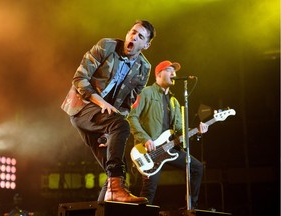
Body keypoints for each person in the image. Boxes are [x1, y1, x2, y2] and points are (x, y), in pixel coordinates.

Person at [61, 20, 156, 204]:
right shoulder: (107, 45)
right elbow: (79, 78)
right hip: (82, 106)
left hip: (106, 119)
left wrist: (108, 132)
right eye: (133, 32)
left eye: (140, 37)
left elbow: (127, 104)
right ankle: (115, 190)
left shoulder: (144, 69)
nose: (134, 37)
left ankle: (109, 198)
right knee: (121, 125)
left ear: (146, 45)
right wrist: (101, 103)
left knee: (117, 168)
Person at [127, 60, 208, 208]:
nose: (174, 74)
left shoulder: (175, 101)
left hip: (171, 147)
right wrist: (146, 139)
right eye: (169, 70)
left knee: (197, 168)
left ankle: (191, 206)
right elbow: (131, 116)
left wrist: (197, 130)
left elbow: (179, 130)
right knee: (148, 192)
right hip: (150, 151)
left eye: (175, 71)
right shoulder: (146, 93)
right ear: (158, 74)